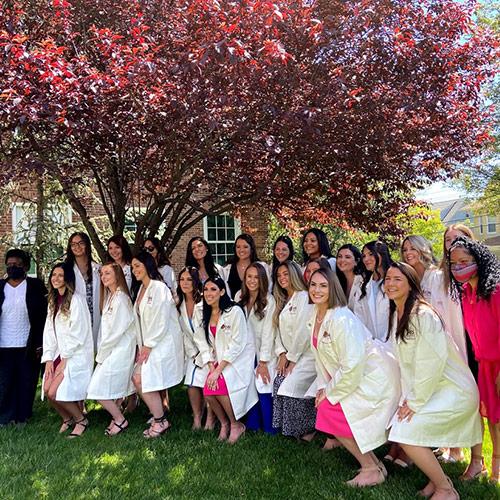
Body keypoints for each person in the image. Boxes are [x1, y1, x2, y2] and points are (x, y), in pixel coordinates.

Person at [386, 262, 482, 499]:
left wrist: (415, 402)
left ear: (410, 284)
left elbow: (431, 363)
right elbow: (406, 364)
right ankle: (439, 479)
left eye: (398, 279)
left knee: (405, 432)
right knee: (405, 428)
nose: (390, 283)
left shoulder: (422, 315)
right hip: (431, 388)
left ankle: (446, 490)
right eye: (388, 279)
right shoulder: (398, 313)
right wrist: (406, 398)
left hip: (453, 390)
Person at [309, 268, 400, 486]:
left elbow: (353, 365)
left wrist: (330, 392)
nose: (317, 290)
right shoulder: (315, 314)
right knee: (328, 410)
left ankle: (370, 469)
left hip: (370, 377)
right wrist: (324, 387)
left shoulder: (342, 318)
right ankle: (375, 464)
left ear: (333, 288)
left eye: (323, 285)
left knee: (329, 410)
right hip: (349, 376)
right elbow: (320, 357)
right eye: (313, 285)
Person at [449, 237, 500, 483]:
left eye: (464, 262)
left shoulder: (496, 292)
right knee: (492, 417)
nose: (458, 267)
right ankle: (496, 468)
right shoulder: (466, 292)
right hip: (483, 365)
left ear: (478, 260)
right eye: (454, 263)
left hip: (499, 364)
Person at [194, 276, 258, 444]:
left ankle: (236, 425)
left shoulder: (234, 311)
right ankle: (224, 423)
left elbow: (238, 343)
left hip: (236, 360)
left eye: (213, 289)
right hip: (216, 360)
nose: (208, 293)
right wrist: (211, 366)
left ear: (222, 292)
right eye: (206, 289)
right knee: (208, 390)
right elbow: (202, 342)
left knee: (221, 387)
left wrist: (218, 370)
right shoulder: (205, 312)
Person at [131, 251, 184, 439]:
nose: (134, 270)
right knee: (138, 379)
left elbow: (161, 320)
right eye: (132, 267)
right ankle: (159, 416)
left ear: (147, 265)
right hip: (148, 344)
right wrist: (142, 344)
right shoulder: (141, 289)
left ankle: (160, 421)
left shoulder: (159, 288)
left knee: (143, 379)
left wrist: (149, 345)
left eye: (137, 265)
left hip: (161, 343)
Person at [42, 263, 94, 438]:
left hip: (74, 353)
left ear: (68, 279)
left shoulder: (76, 300)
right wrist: (49, 358)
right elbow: (49, 330)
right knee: (48, 391)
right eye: (53, 275)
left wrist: (65, 359)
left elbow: (78, 333)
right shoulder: (53, 300)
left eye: (60, 275)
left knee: (57, 392)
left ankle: (81, 420)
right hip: (58, 353)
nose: (56, 278)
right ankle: (67, 418)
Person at [86, 262, 137, 436]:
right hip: (111, 349)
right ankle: (116, 417)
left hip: (120, 350)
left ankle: (120, 420)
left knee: (96, 388)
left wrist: (101, 355)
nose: (103, 277)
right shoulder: (110, 296)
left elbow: (115, 332)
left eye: (107, 273)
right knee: (108, 388)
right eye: (102, 274)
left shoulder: (121, 298)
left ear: (117, 275)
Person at [0, 249, 47, 426]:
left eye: (17, 265)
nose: (13, 268)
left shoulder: (36, 286)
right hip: (3, 344)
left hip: (28, 344)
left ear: (26, 267)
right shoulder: (0, 286)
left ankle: (23, 416)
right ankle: (5, 416)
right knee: (5, 382)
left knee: (26, 381)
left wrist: (40, 343)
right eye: (10, 264)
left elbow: (43, 316)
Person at [272, 261, 316, 440]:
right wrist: (282, 354)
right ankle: (289, 428)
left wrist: (292, 359)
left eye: (286, 274)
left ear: (295, 274)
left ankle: (308, 428)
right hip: (289, 355)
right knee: (279, 382)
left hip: (305, 354)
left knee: (289, 385)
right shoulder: (282, 300)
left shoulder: (305, 297)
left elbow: (303, 332)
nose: (282, 278)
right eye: (279, 275)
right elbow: (276, 331)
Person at [237, 263, 277, 434]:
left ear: (262, 280)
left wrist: (263, 361)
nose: (252, 281)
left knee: (263, 384)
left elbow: (269, 331)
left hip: (262, 351)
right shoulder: (239, 297)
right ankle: (253, 423)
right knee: (248, 385)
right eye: (249, 276)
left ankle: (269, 427)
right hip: (244, 351)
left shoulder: (269, 300)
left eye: (256, 277)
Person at [176, 266, 214, 430]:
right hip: (193, 352)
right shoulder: (179, 304)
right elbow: (183, 333)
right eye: (182, 279)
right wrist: (193, 353)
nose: (185, 283)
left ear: (196, 281)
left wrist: (205, 354)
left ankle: (211, 418)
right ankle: (197, 417)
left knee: (207, 382)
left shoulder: (204, 301)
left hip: (210, 350)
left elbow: (211, 330)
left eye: (189, 279)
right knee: (191, 384)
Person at [65, 232, 101, 350]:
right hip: (75, 315)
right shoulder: (66, 269)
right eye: (73, 244)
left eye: (81, 243)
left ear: (87, 245)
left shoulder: (98, 268)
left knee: (95, 348)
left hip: (95, 314)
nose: (77, 247)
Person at [352, 240, 392, 341]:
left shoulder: (394, 284)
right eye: (364, 256)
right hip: (371, 346)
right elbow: (359, 316)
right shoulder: (362, 287)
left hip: (393, 344)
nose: (366, 259)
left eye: (370, 254)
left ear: (382, 254)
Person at [222, 233, 269, 298]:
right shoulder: (227, 269)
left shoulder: (262, 267)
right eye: (238, 247)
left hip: (258, 306)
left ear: (251, 249)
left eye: (245, 247)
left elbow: (268, 289)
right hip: (233, 307)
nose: (241, 250)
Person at [335, 244, 364, 310]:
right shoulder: (337, 282)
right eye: (339, 256)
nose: (342, 260)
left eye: (347, 257)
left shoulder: (363, 283)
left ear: (356, 262)